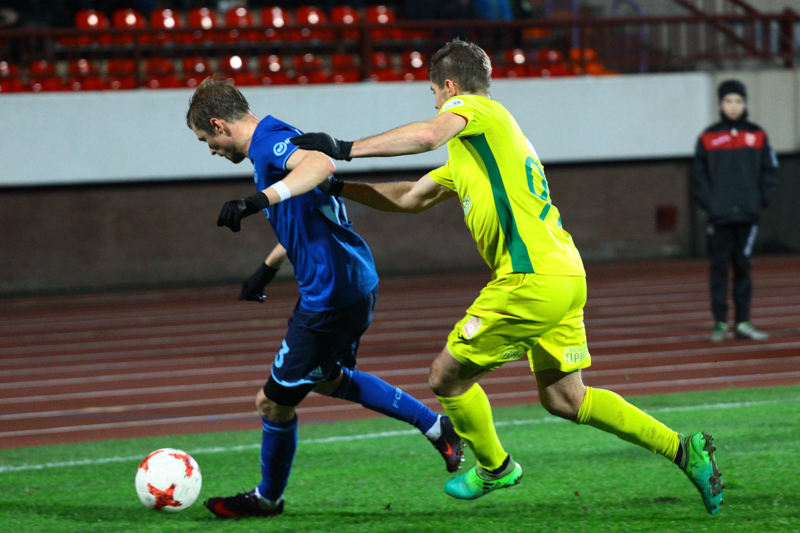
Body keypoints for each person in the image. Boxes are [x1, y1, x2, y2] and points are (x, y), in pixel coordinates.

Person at [290, 38, 724, 514]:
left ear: (450, 87)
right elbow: (410, 197)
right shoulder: (481, 148)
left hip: (529, 276)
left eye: (434, 93)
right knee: (566, 398)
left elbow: (428, 135)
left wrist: (344, 148)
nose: (435, 104)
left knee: (445, 377)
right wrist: (336, 185)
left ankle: (495, 467)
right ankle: (684, 449)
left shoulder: (477, 110)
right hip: (563, 273)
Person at [185, 76, 463, 519]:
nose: (212, 150)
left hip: (330, 293)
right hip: (352, 281)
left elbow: (322, 165)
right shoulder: (277, 135)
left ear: (219, 124)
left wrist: (255, 202)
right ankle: (435, 426)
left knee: (272, 403)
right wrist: (267, 268)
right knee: (327, 377)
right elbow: (305, 208)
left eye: (206, 140)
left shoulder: (267, 144)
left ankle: (268, 499)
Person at [693, 79, 778, 343]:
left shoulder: (758, 135)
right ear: (720, 104)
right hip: (719, 217)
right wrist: (710, 204)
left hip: (747, 216)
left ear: (744, 103)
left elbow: (770, 171)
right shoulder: (708, 137)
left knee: (743, 268)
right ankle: (720, 323)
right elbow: (699, 177)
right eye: (728, 101)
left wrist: (760, 201)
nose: (733, 106)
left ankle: (743, 323)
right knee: (719, 269)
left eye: (738, 101)